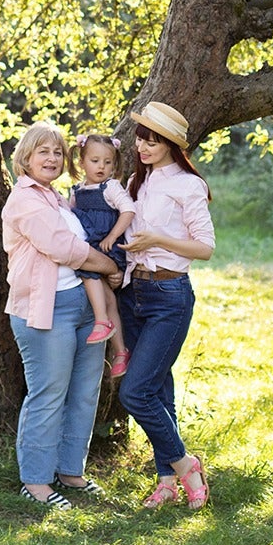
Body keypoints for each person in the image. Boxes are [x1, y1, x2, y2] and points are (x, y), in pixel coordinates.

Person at [1, 121, 122, 511]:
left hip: (86, 307)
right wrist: (108, 267)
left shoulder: (57, 198)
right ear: (25, 158)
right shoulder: (25, 200)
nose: (51, 158)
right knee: (48, 394)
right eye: (43, 151)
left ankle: (71, 471)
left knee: (85, 392)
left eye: (57, 152)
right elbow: (64, 249)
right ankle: (35, 481)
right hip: (45, 311)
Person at [117, 101, 215, 511]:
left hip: (168, 295)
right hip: (132, 293)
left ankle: (186, 464)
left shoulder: (188, 186)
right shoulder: (135, 183)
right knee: (158, 391)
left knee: (135, 392)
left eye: (152, 139)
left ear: (171, 143)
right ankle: (166, 482)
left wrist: (157, 239)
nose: (142, 145)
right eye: (141, 136)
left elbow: (205, 247)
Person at [68, 133, 135, 379]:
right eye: (95, 161)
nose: (101, 167)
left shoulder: (111, 188)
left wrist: (112, 236)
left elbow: (129, 210)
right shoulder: (76, 191)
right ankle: (120, 353)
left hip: (108, 250)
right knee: (109, 300)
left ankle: (101, 322)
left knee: (89, 272)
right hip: (91, 247)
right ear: (82, 162)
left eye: (108, 162)